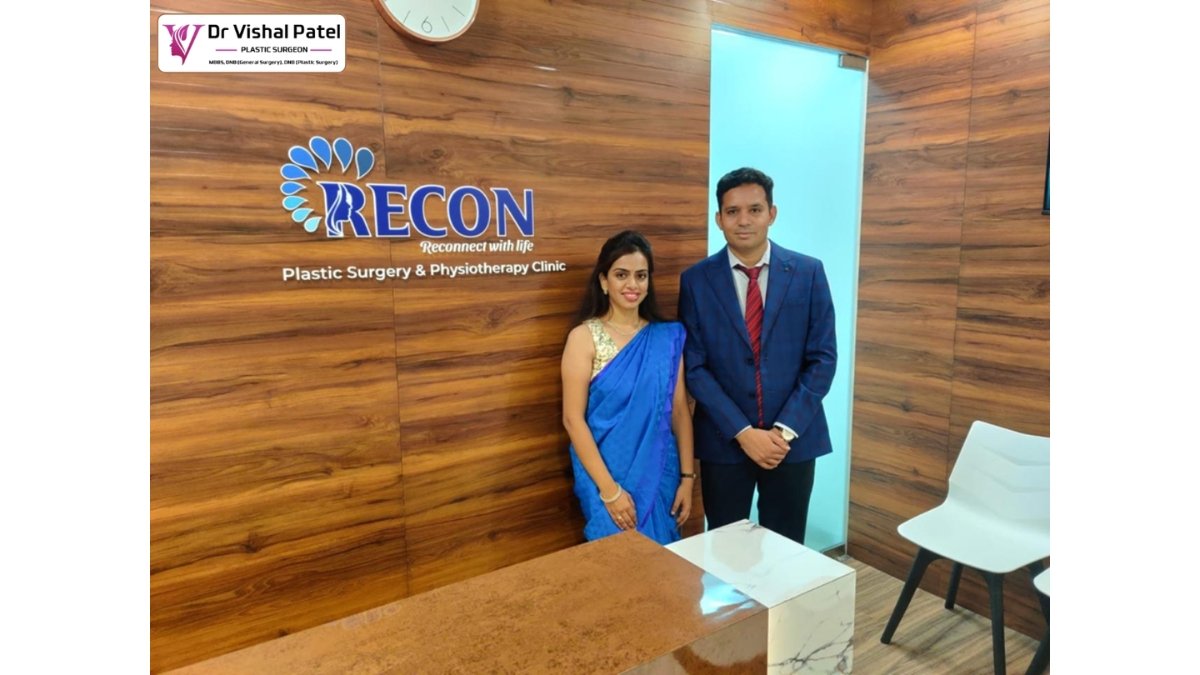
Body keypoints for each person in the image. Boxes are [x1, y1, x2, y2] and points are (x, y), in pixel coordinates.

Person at [677, 167, 837, 545]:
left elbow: (823, 359)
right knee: (726, 550)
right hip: (725, 442)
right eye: (732, 212)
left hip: (791, 444)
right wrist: (744, 433)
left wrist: (782, 431)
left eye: (754, 210)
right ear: (719, 219)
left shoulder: (808, 273)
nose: (744, 220)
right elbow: (695, 367)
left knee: (786, 550)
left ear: (772, 213)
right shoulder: (696, 281)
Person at [561, 230, 696, 545]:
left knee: (663, 562)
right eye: (621, 275)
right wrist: (610, 492)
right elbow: (572, 419)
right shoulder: (584, 338)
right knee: (616, 563)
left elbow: (679, 411)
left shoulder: (667, 337)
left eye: (641, 275)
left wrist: (688, 478)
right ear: (604, 281)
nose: (632, 284)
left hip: (660, 473)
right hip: (604, 476)